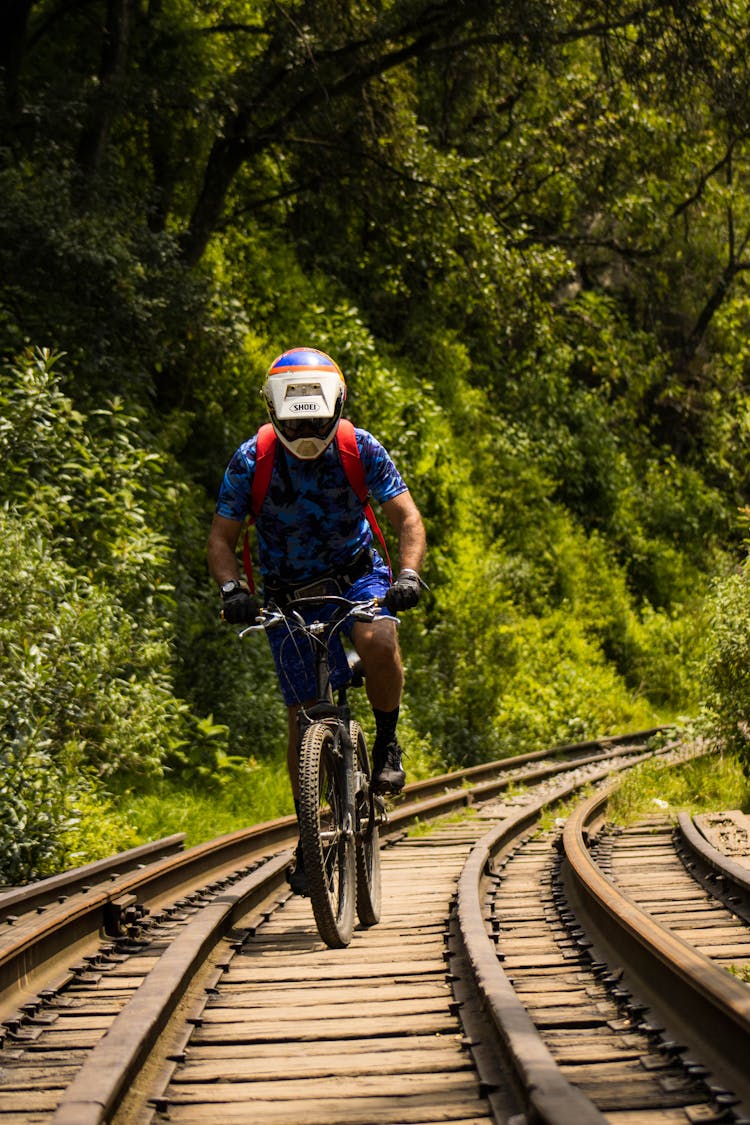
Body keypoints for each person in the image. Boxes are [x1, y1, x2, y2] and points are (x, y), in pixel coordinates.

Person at [207, 346, 426, 894]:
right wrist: (233, 589)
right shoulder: (252, 459)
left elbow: (407, 518)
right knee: (302, 718)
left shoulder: (359, 448)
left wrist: (406, 575)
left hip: (357, 576)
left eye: (315, 417)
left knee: (378, 641)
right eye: (295, 418)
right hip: (285, 593)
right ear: (275, 411)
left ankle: (388, 742)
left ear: (337, 406)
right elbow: (221, 538)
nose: (306, 428)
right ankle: (310, 835)